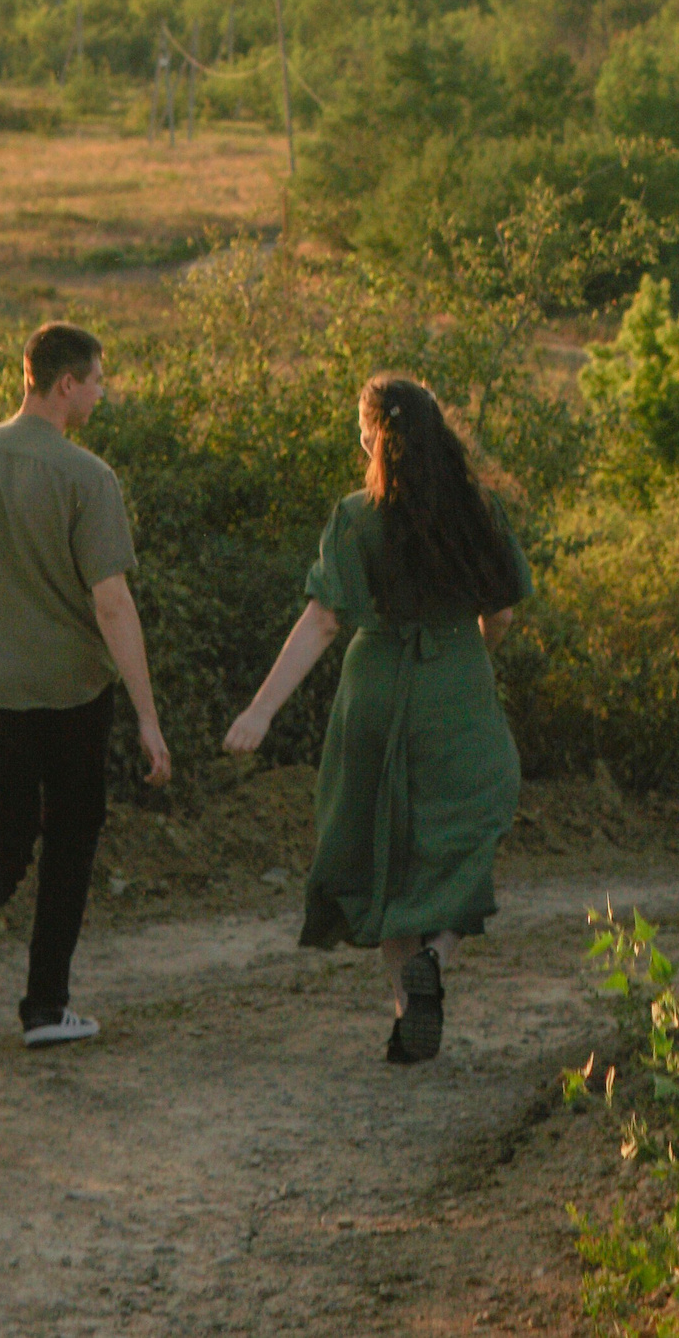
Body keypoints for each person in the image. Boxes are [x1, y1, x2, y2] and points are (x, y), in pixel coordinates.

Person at [225, 373, 533, 1063]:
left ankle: (406, 1016)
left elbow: (325, 619)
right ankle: (439, 954)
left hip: (376, 682)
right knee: (471, 827)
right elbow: (503, 612)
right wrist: (471, 659)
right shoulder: (481, 508)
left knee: (386, 844)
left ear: (372, 436)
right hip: (456, 677)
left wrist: (261, 709)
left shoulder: (356, 515)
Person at [0, 321, 172, 1049]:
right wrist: (147, 715)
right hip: (70, 691)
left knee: (1, 839)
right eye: (97, 381)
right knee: (72, 838)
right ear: (64, 386)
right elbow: (111, 603)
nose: (102, 392)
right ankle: (46, 1007)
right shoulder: (88, 477)